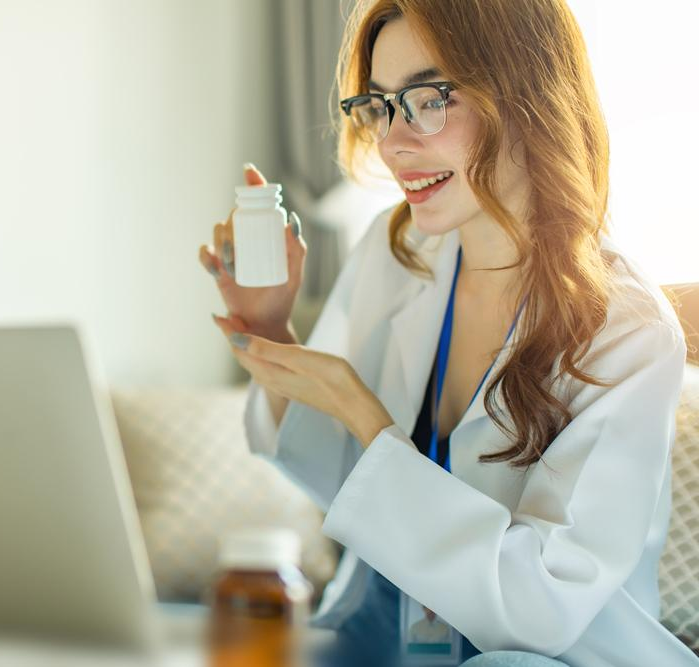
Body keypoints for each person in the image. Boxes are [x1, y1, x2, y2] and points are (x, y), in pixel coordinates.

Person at [197, 1, 698, 666]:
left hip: (546, 653)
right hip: (392, 627)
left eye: (429, 98)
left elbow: (541, 606)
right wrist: (267, 327)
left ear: (527, 94)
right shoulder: (396, 251)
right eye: (380, 105)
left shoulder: (626, 330)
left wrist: (369, 418)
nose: (393, 141)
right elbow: (345, 477)